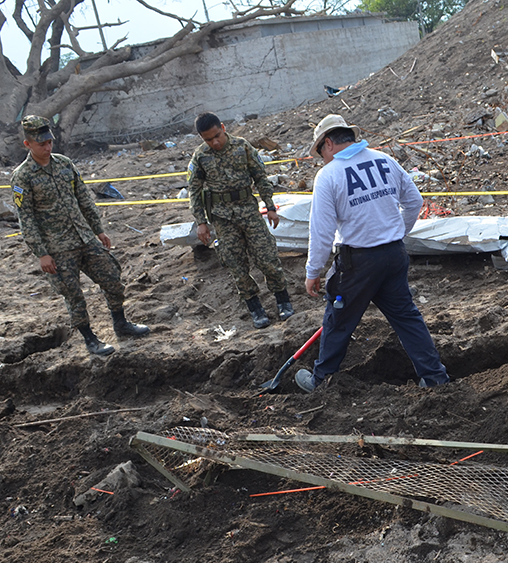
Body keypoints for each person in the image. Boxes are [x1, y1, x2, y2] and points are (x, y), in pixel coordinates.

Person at [294, 114, 449, 393]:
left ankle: (320, 380)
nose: (322, 159)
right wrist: (395, 235)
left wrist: (312, 271)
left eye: (321, 153)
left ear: (327, 143)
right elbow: (414, 201)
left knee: (338, 320)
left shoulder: (328, 175)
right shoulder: (384, 160)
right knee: (406, 317)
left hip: (358, 262)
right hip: (394, 256)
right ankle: (435, 377)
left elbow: (321, 231)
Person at [11, 115, 149, 356]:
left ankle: (121, 323)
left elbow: (84, 199)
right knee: (74, 295)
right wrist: (41, 253)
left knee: (112, 279)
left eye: (49, 142)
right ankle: (90, 339)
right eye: (41, 144)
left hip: (84, 238)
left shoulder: (64, 164)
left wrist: (99, 230)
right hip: (57, 247)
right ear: (28, 145)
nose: (47, 147)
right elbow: (27, 218)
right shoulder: (22, 177)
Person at [187, 112, 293, 329]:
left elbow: (260, 177)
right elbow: (194, 191)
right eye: (208, 139)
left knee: (267, 258)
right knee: (236, 265)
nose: (214, 142)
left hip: (249, 212)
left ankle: (283, 301)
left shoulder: (242, 147)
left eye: (217, 135)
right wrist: (201, 222)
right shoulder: (200, 157)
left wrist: (270, 207)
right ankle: (255, 308)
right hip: (223, 219)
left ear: (223, 127)